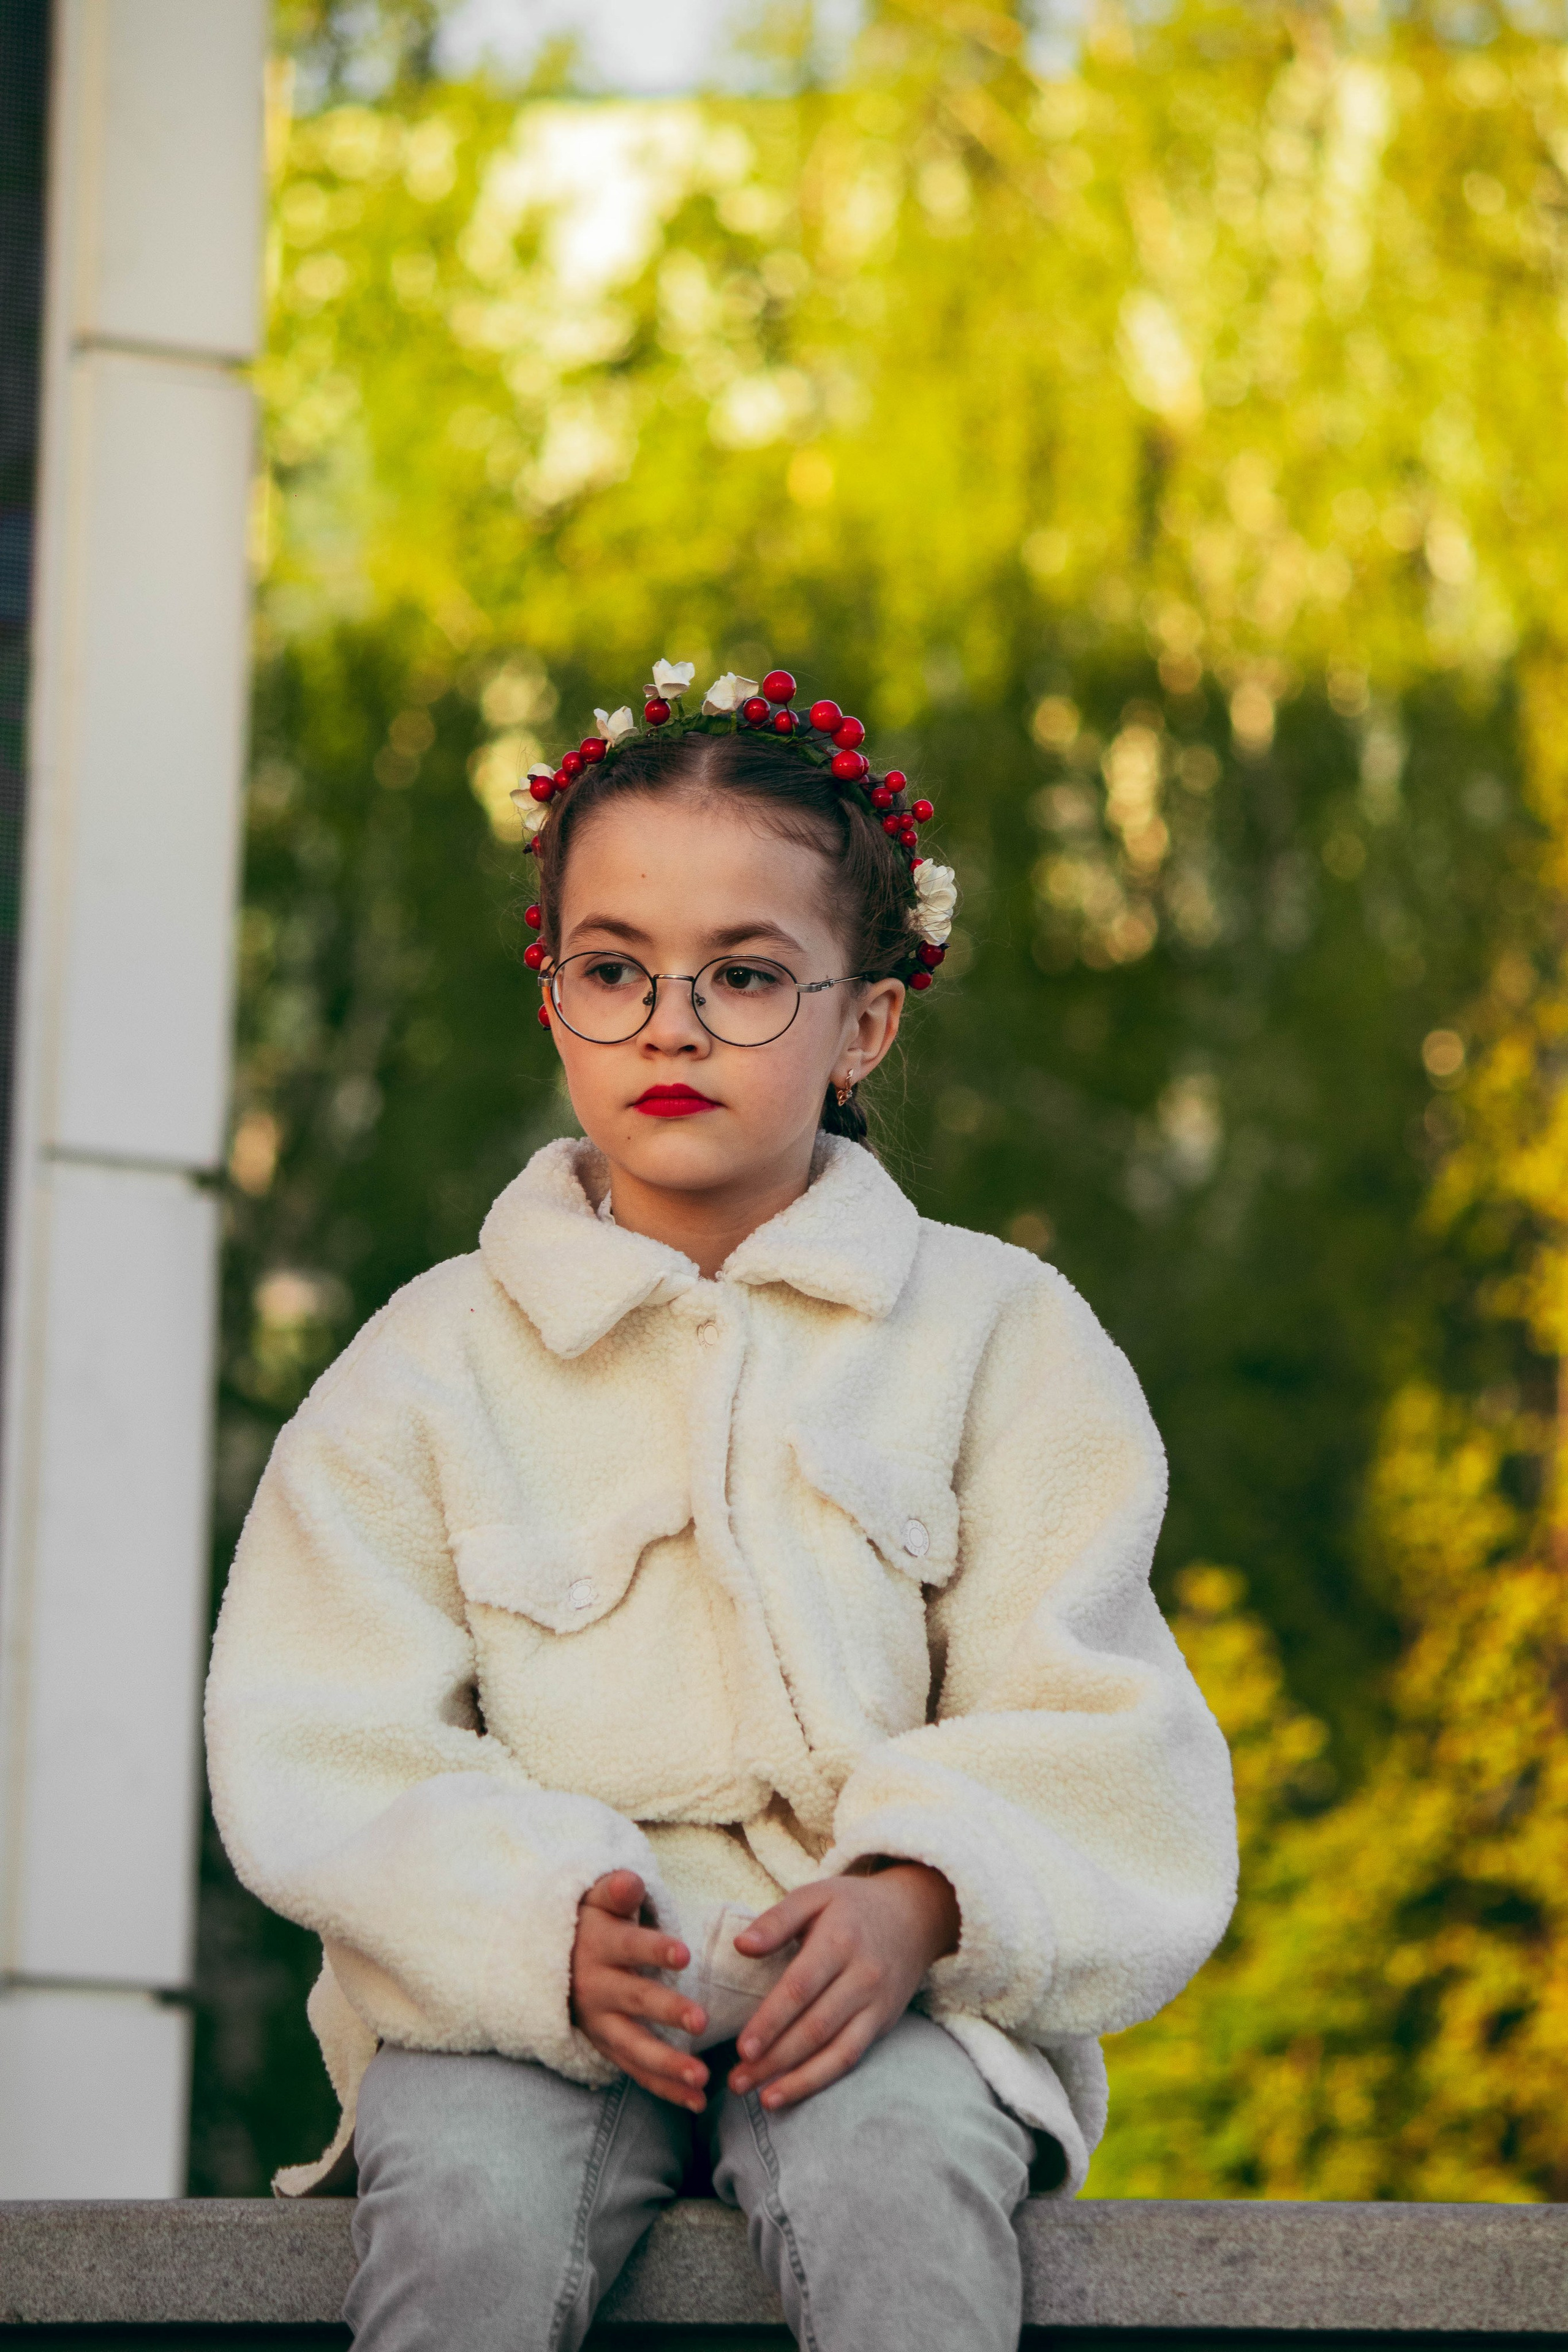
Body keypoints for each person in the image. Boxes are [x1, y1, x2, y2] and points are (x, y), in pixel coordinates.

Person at [206, 661, 1238, 2352]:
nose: (672, 1026)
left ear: (867, 1022)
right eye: (615, 971)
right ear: (552, 1001)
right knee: (461, 2208)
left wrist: (924, 1896)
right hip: (521, 2008)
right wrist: (535, 1924)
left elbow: (1100, 1720)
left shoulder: (1000, 1338)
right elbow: (319, 1731)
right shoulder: (430, 1361)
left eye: (747, 977)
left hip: (883, 2008)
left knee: (902, 2182)